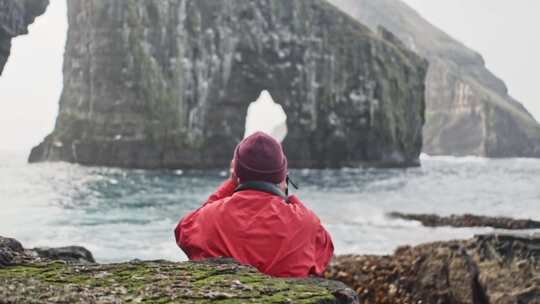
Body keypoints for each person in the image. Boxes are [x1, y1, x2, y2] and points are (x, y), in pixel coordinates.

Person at [174, 132, 334, 278]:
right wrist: (291, 199)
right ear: (283, 177)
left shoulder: (207, 219)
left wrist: (231, 184)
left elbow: (183, 231)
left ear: (235, 174)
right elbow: (325, 252)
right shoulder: (306, 224)